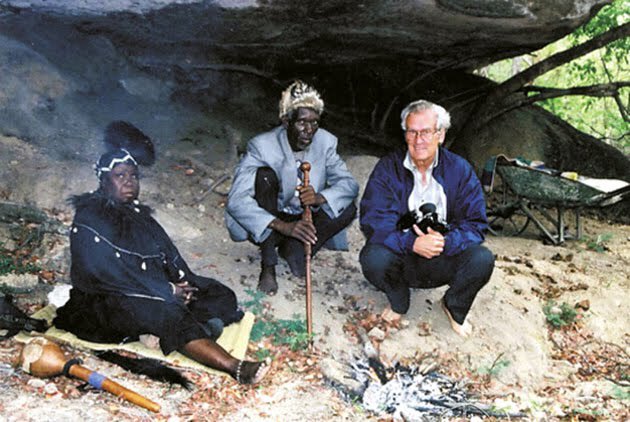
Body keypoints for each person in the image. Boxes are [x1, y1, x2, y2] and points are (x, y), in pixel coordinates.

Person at [54, 121, 268, 384]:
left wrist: (184, 286)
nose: (129, 182)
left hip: (151, 290)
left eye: (133, 176)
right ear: (103, 180)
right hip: (103, 301)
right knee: (163, 311)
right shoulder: (90, 216)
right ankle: (235, 367)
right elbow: (107, 276)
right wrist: (167, 291)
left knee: (220, 295)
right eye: (120, 176)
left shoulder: (140, 216)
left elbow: (169, 257)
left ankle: (168, 331)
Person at [359, 100, 494, 337]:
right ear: (405, 134)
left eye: (426, 132)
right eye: (412, 131)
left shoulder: (460, 170)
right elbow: (373, 220)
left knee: (482, 259)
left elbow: (476, 224)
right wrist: (410, 242)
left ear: (440, 135)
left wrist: (446, 242)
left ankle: (454, 306)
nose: (418, 139)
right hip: (402, 258)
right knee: (373, 257)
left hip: (444, 257)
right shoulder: (388, 168)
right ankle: (399, 300)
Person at [225, 81, 359, 295]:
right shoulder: (262, 146)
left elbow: (349, 185)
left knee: (348, 206)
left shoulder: (325, 142)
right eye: (302, 123)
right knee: (265, 178)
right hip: (271, 219)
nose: (309, 131)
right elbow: (236, 200)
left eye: (314, 123)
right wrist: (283, 226)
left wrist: (320, 198)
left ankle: (296, 248)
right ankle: (268, 265)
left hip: (302, 216)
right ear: (286, 121)